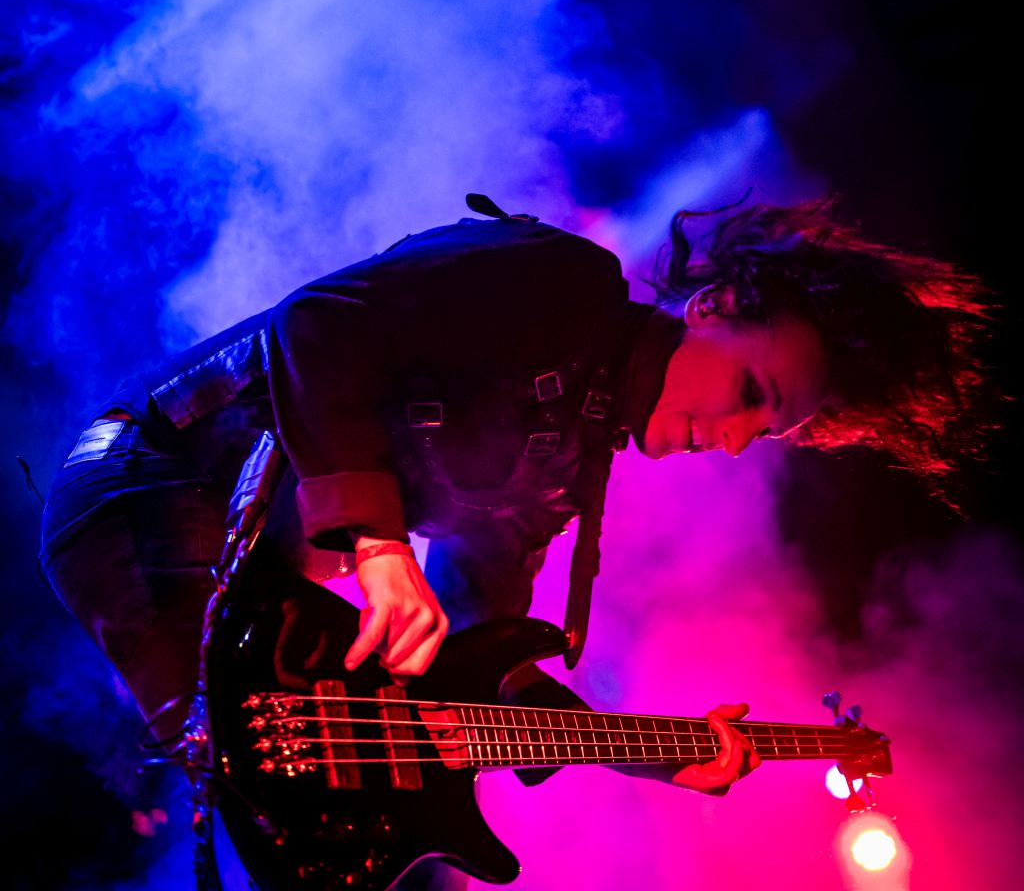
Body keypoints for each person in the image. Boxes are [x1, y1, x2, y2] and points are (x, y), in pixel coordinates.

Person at [39, 193, 989, 887]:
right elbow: (316, 325)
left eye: (765, 432)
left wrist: (646, 751)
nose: (736, 439)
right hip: (144, 475)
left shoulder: (565, 474)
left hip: (249, 585)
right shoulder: (561, 282)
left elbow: (476, 652)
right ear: (715, 307)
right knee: (249, 779)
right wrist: (378, 546)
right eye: (750, 393)